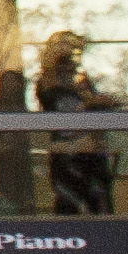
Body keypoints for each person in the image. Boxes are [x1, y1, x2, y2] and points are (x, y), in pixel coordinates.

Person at [34, 30, 118, 215]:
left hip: (91, 154)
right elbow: (51, 100)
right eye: (63, 63)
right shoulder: (47, 83)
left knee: (98, 203)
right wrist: (87, 103)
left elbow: (95, 110)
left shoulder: (83, 83)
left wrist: (98, 103)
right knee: (69, 204)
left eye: (71, 61)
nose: (68, 68)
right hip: (66, 154)